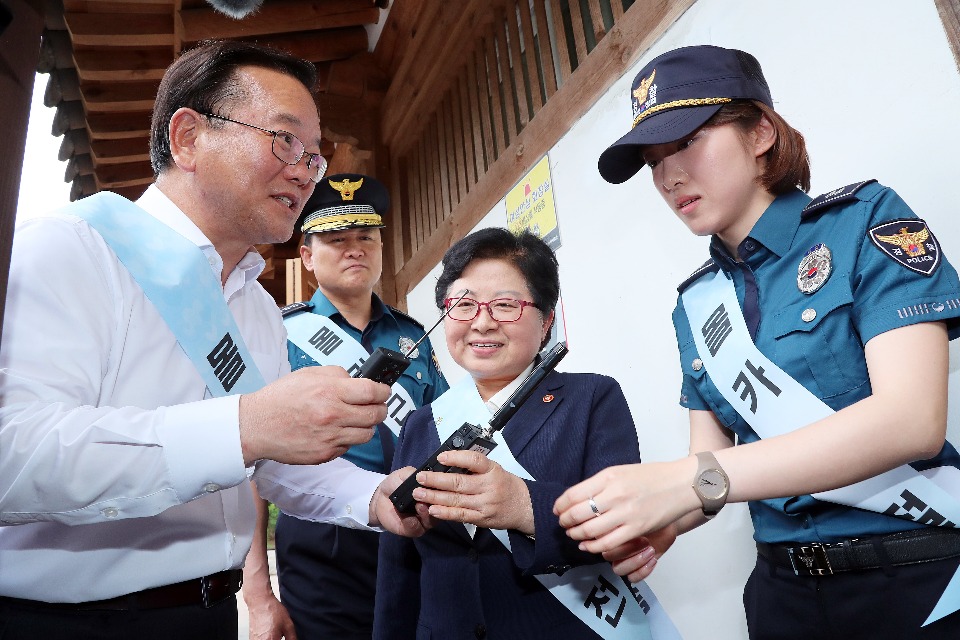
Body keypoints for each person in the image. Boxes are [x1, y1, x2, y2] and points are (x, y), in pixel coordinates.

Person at [0, 41, 425, 640]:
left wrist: (375, 497)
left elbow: (270, 459)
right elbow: (12, 455)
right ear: (189, 138)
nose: (305, 170)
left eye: (313, 154)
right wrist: (245, 424)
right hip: (62, 622)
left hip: (205, 616)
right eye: (284, 139)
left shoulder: (255, 305)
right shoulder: (69, 248)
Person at [554, 44, 960, 638]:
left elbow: (911, 419)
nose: (669, 175)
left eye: (687, 140)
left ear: (761, 132)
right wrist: (663, 517)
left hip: (915, 582)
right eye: (653, 159)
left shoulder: (863, 220)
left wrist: (683, 482)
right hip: (783, 598)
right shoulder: (694, 306)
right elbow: (707, 466)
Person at [374, 228, 647, 639]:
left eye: (505, 305)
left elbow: (624, 526)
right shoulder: (421, 422)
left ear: (547, 320)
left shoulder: (593, 397)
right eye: (463, 306)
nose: (482, 323)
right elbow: (398, 566)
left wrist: (525, 508)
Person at [242, 174, 449, 639]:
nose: (355, 249)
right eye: (336, 239)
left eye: (365, 237)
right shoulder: (278, 335)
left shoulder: (413, 336)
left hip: (414, 526)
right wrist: (257, 592)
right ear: (308, 257)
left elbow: (442, 425)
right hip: (323, 542)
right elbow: (248, 467)